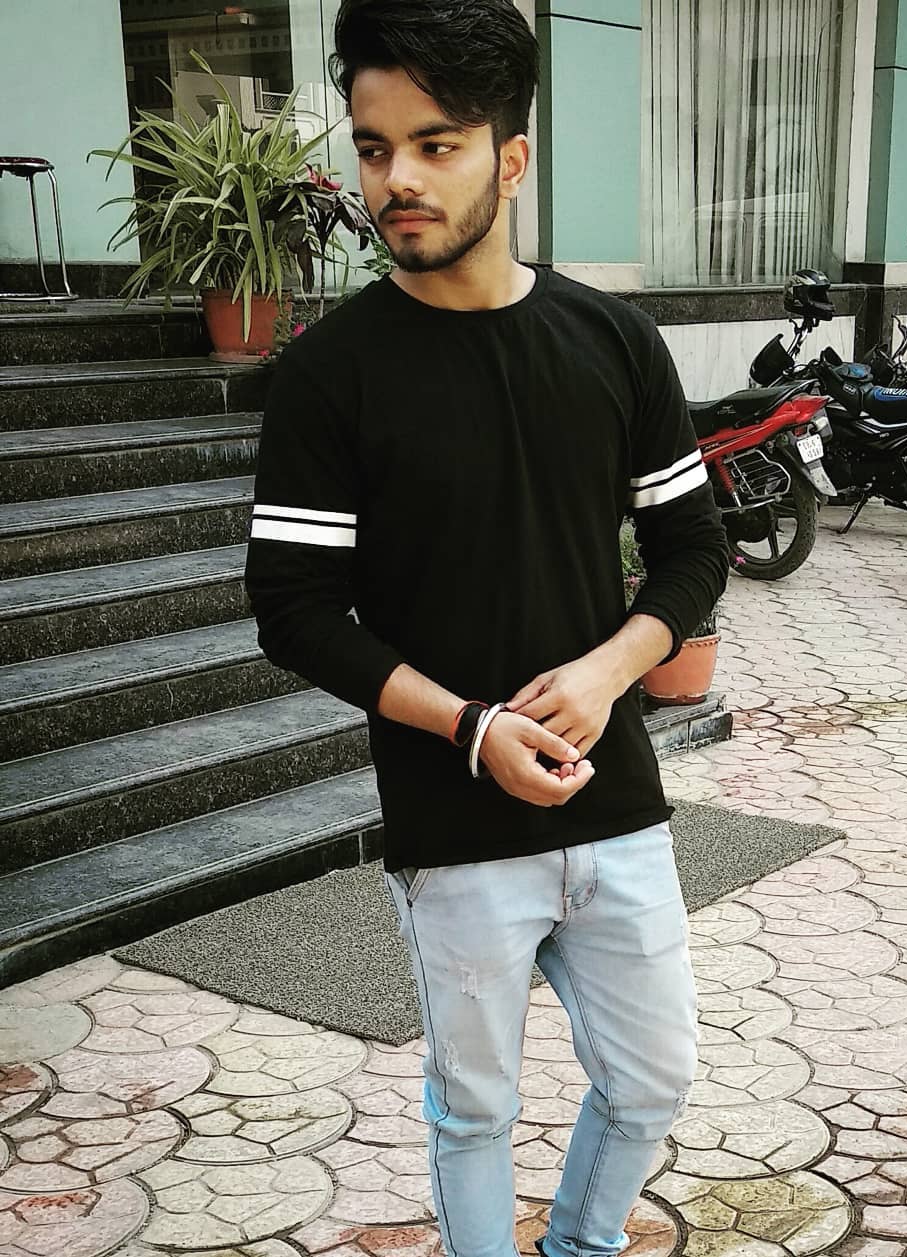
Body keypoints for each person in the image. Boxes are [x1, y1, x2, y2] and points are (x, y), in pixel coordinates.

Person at [244, 1, 728, 1252]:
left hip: (614, 800)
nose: (396, 179)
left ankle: (580, 1243)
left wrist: (612, 669)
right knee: (475, 1110)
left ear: (511, 158)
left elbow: (694, 550)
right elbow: (293, 611)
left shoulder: (614, 339)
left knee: (654, 1078)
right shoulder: (329, 374)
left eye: (436, 144)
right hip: (451, 819)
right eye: (374, 146)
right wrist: (469, 728)